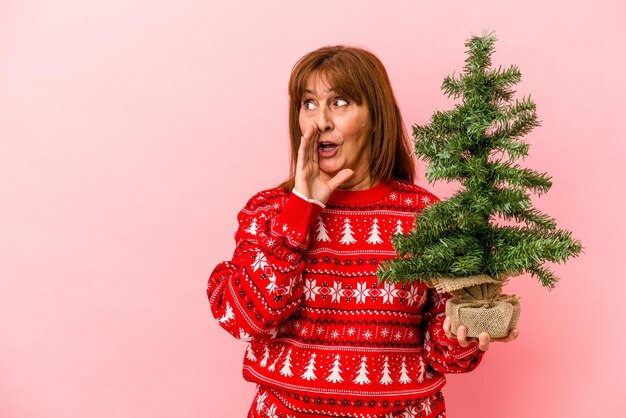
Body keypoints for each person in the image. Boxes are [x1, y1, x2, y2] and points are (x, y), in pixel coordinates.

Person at [207, 45, 518, 418]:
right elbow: (246, 321)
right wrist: (301, 206)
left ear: (375, 116)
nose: (320, 120)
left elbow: (443, 355)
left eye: (339, 102)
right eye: (308, 103)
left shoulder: (426, 216)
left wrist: (464, 335)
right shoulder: (269, 210)